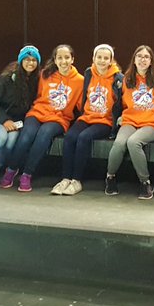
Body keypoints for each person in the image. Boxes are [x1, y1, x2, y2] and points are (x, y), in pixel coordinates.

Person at [0, 44, 84, 192]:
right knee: (27, 135)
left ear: (72, 60)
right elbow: (33, 94)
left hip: (58, 118)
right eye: (60, 58)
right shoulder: (45, 74)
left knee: (43, 135)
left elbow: (81, 106)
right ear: (55, 60)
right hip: (38, 112)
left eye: (67, 57)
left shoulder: (80, 81)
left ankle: (27, 174)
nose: (63, 61)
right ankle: (12, 169)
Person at [53, 44, 123, 195]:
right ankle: (65, 178)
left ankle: (76, 180)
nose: (102, 61)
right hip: (86, 116)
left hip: (105, 121)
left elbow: (121, 102)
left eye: (106, 58)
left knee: (84, 137)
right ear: (93, 58)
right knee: (70, 136)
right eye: (99, 57)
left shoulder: (118, 78)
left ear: (111, 61)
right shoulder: (89, 73)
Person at [0, 45, 41, 192]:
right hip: (2, 118)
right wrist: (5, 120)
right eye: (27, 59)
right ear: (21, 61)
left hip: (20, 122)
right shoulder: (8, 79)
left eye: (34, 60)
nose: (30, 63)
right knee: (2, 139)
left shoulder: (36, 80)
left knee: (12, 140)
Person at [105, 45, 154, 199]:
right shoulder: (128, 78)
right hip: (130, 120)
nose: (142, 59)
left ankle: (145, 183)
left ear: (151, 61)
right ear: (134, 60)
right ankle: (110, 178)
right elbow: (124, 103)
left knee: (133, 142)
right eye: (139, 56)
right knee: (119, 143)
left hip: (152, 122)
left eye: (146, 57)